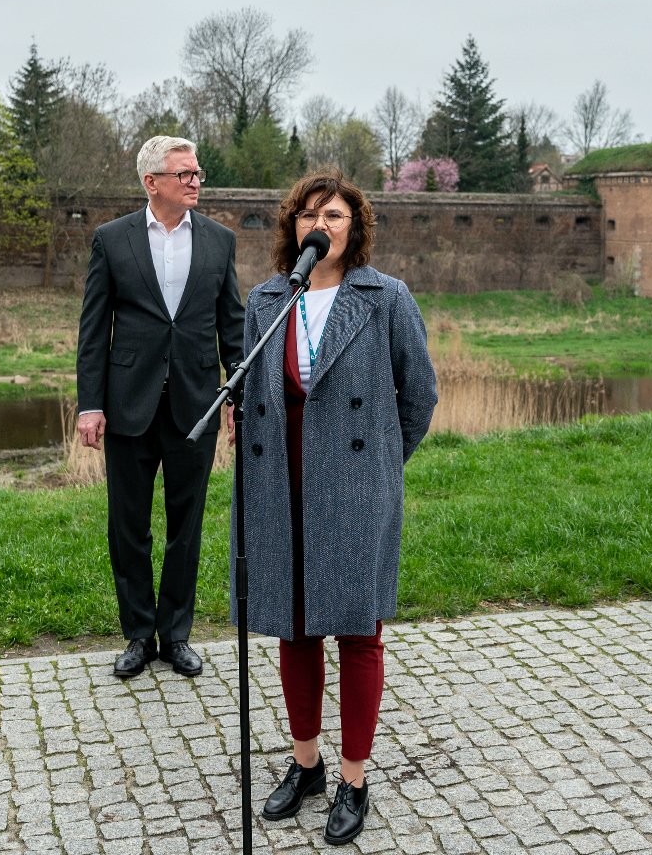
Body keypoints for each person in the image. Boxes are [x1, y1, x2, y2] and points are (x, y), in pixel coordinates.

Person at [235, 171, 438, 847]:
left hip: (353, 488)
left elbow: (420, 396)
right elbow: (250, 399)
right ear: (291, 229)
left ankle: (353, 780)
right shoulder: (267, 300)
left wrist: (378, 466)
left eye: (333, 214)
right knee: (294, 631)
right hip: (278, 487)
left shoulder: (385, 299)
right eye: (305, 214)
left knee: (356, 634)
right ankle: (306, 766)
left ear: (355, 228)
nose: (317, 223)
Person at [76, 136, 244, 681]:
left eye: (198, 173)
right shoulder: (112, 240)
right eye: (184, 174)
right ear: (152, 182)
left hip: (194, 406)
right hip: (127, 407)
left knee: (186, 526)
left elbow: (232, 326)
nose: (195, 182)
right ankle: (137, 634)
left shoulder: (220, 241)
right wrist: (90, 405)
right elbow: (93, 329)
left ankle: (175, 635)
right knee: (128, 527)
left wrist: (238, 398)